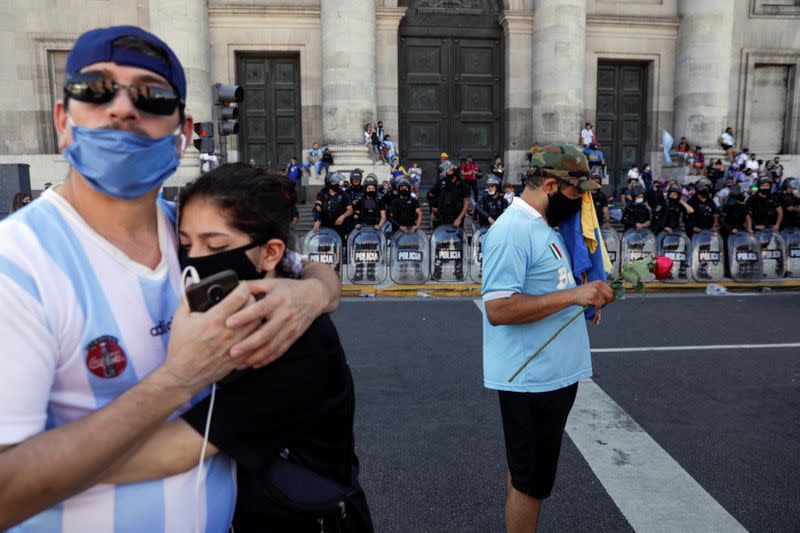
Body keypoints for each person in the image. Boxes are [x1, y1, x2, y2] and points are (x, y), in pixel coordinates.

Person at [0, 25, 339, 531]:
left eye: (152, 96)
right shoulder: (16, 264)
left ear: (183, 133)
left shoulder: (188, 231)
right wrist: (179, 377)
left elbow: (300, 266)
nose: (121, 108)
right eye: (94, 90)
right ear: (63, 121)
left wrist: (314, 291)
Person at [102, 163, 373, 532]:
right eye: (183, 245)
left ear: (269, 254)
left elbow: (160, 455)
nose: (194, 259)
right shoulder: (240, 303)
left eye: (216, 246)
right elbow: (304, 265)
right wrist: (319, 285)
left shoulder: (288, 337)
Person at [481, 154, 615, 533]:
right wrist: (574, 297)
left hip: (551, 377)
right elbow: (499, 308)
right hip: (532, 379)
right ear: (552, 187)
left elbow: (547, 290)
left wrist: (586, 295)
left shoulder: (544, 225)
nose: (581, 203)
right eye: (577, 194)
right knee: (531, 486)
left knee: (525, 474)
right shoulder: (513, 230)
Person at [428, 161, 470, 279]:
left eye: (449, 170)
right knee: (440, 245)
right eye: (446, 171)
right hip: (443, 218)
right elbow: (430, 194)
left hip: (457, 219)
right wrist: (433, 209)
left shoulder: (462, 184)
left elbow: (466, 203)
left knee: (458, 245)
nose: (447, 172)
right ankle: (438, 271)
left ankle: (458, 270)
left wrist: (459, 218)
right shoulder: (442, 182)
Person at [352, 175, 386, 281]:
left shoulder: (379, 201)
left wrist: (379, 225)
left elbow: (383, 216)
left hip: (374, 230)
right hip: (362, 231)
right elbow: (355, 215)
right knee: (360, 252)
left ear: (375, 188)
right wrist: (356, 223)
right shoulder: (360, 201)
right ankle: (359, 273)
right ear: (365, 189)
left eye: (373, 188)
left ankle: (371, 273)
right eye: (368, 188)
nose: (370, 190)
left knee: (372, 253)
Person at [313, 173, 353, 243]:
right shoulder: (322, 193)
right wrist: (317, 220)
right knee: (324, 246)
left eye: (337, 181)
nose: (336, 183)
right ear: (328, 182)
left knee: (339, 246)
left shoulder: (343, 194)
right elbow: (317, 207)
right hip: (325, 226)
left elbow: (350, 210)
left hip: (339, 227)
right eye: (333, 182)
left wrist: (342, 217)